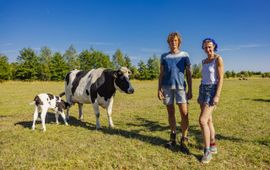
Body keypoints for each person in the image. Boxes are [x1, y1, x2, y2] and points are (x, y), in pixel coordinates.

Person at [158, 32, 192, 152]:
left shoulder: (185, 55)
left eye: (175, 41)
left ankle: (184, 138)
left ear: (179, 42)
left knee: (184, 113)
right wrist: (159, 89)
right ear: (168, 43)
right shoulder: (164, 56)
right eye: (171, 41)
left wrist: (190, 89)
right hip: (167, 88)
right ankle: (173, 138)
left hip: (181, 88)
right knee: (170, 113)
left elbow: (188, 74)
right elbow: (161, 74)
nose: (173, 43)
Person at [198, 38, 224, 163]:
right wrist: (200, 94)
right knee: (208, 120)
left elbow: (221, 79)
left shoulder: (218, 59)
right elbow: (204, 78)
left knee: (202, 120)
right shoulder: (203, 61)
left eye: (210, 47)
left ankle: (207, 151)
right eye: (205, 47)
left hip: (212, 90)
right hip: (203, 89)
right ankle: (213, 145)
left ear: (214, 46)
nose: (208, 49)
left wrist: (217, 95)